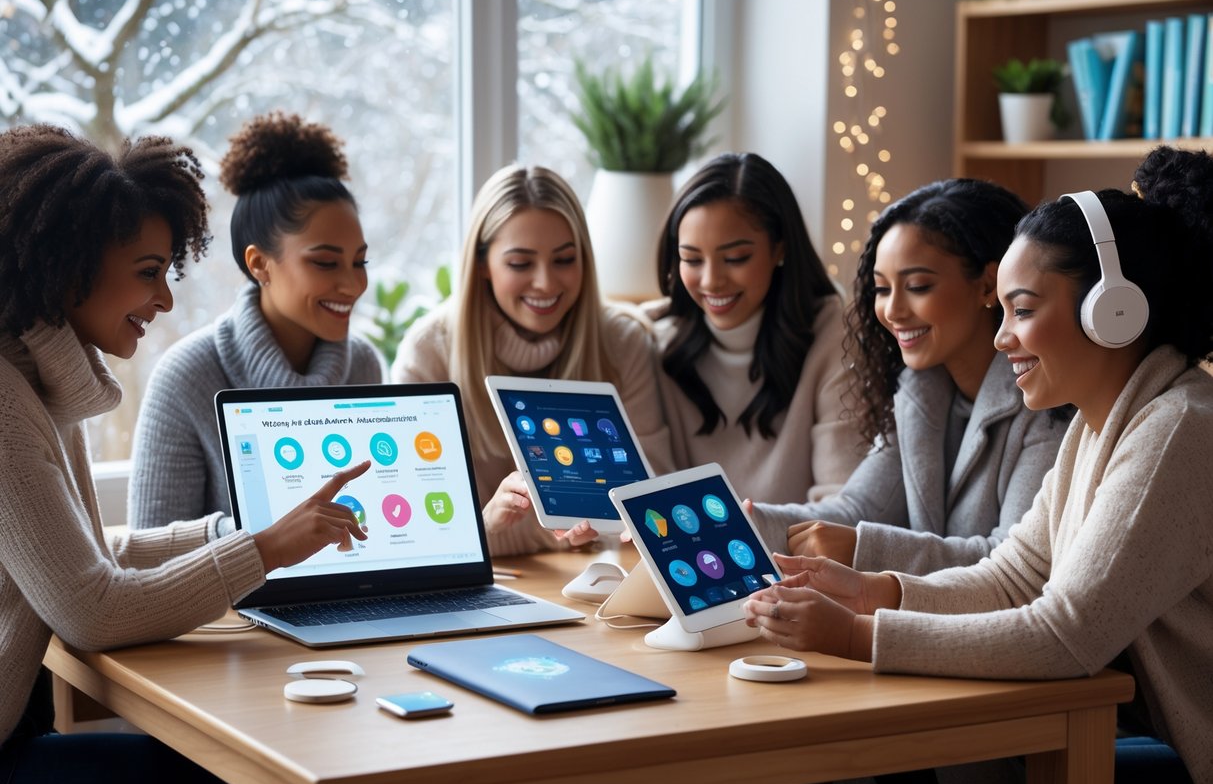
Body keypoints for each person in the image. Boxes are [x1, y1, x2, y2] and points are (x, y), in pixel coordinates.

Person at [744, 147, 1213, 784]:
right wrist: (870, 589)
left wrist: (856, 635)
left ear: (1113, 311)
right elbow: (1012, 578)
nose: (1002, 336)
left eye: (1023, 309)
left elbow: (1062, 636)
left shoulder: (1177, 429)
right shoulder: (1098, 425)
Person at [0, 124, 369, 783]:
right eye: (148, 273)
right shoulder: (6, 402)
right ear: (67, 263)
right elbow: (91, 609)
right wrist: (267, 550)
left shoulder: (45, 383)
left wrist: (246, 529)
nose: (165, 299)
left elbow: (90, 555)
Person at [748, 178, 1069, 576]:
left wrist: (864, 549)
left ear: (988, 283)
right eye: (882, 288)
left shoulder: (1050, 402)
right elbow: (857, 510)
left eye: (918, 286)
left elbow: (1013, 565)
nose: (893, 310)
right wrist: (744, 522)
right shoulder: (919, 390)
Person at [390, 163, 673, 556]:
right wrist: (499, 526)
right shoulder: (430, 351)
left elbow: (657, 505)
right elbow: (414, 529)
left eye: (564, 259)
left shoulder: (622, 341)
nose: (545, 282)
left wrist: (500, 533)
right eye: (520, 264)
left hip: (593, 585)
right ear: (483, 265)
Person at [128, 112, 383, 531]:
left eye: (360, 262)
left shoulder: (364, 366)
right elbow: (153, 561)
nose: (353, 284)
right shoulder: (188, 376)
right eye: (325, 262)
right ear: (260, 264)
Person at [650, 152, 866, 504]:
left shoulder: (836, 334)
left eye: (735, 258)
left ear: (779, 248)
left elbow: (841, 506)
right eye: (691, 259)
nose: (711, 281)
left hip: (794, 558)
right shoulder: (652, 340)